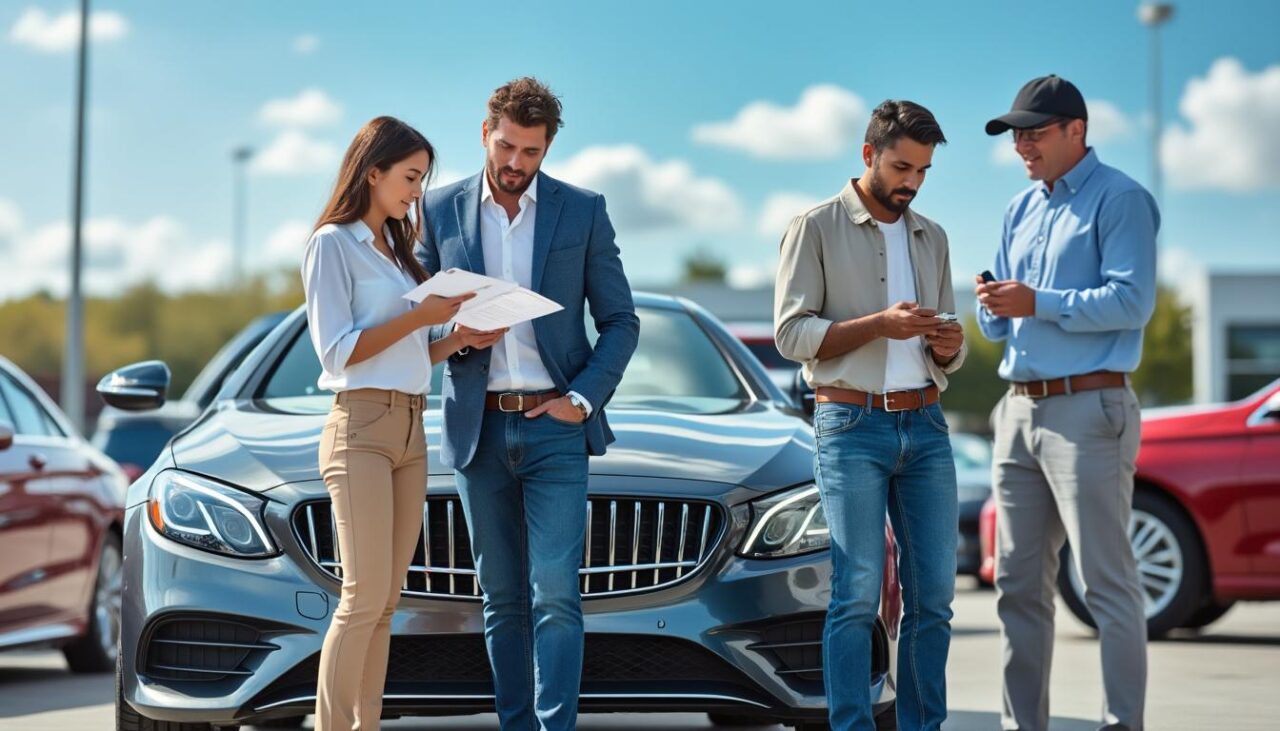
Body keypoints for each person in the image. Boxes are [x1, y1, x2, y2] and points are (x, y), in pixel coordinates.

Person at [416, 77, 639, 731]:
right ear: (485, 133)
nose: (516, 164)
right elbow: (415, 320)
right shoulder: (439, 211)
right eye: (507, 147)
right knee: (503, 597)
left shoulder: (582, 210)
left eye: (531, 152)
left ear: (547, 148)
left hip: (556, 425)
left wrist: (583, 399)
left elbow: (621, 321)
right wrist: (456, 335)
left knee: (554, 592)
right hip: (476, 426)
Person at [301, 116, 502, 731]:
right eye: (411, 177)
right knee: (361, 597)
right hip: (359, 428)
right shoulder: (331, 245)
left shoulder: (395, 252)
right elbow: (337, 352)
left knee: (386, 602)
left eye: (423, 178)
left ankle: (367, 726)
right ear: (374, 172)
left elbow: (407, 354)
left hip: (413, 427)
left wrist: (455, 337)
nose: (418, 190)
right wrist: (422, 320)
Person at [774, 100, 965, 731]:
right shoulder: (814, 227)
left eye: (924, 170)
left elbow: (950, 347)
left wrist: (948, 345)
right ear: (868, 155)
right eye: (902, 165)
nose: (912, 181)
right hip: (851, 428)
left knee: (934, 598)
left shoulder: (931, 237)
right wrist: (880, 325)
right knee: (856, 595)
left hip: (928, 429)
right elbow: (793, 335)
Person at [978, 74, 1158, 731]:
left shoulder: (1122, 200)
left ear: (1076, 131)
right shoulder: (1019, 209)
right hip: (1017, 410)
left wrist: (1038, 302)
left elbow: (1133, 301)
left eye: (1034, 131)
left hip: (1090, 410)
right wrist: (993, 303)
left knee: (1107, 585)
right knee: (1018, 587)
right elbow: (1003, 320)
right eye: (1015, 134)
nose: (1021, 143)